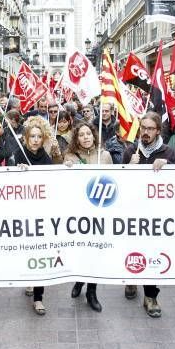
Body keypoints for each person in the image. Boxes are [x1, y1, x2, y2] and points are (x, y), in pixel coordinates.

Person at [122, 112, 175, 318]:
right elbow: (121, 184)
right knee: (133, 249)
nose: (145, 132)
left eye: (150, 129)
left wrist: (168, 166)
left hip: (156, 214)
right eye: (143, 128)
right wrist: (129, 167)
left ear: (158, 131)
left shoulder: (168, 152)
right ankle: (130, 278)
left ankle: (151, 296)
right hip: (133, 212)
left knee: (152, 252)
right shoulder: (130, 151)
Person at [63, 121, 113, 313]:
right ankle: (79, 280)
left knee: (95, 253)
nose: (85, 137)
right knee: (82, 250)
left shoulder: (105, 156)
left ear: (94, 135)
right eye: (81, 134)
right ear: (76, 138)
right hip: (79, 214)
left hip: (99, 213)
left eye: (88, 133)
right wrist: (65, 169)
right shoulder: (70, 157)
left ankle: (92, 291)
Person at [13, 116, 56, 315]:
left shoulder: (46, 158)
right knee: (27, 250)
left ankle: (39, 298)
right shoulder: (18, 154)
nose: (36, 140)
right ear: (26, 138)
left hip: (42, 213)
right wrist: (17, 171)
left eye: (39, 136)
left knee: (40, 252)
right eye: (33, 136)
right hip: (23, 213)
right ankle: (29, 278)